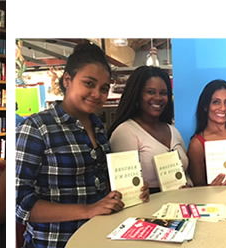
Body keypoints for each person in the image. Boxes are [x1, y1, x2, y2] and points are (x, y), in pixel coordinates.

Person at [15, 43, 150, 248]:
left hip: (99, 238)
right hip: (55, 242)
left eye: (104, 88)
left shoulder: (98, 129)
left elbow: (100, 187)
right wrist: (87, 209)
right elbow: (20, 202)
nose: (97, 94)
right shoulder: (37, 128)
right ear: (68, 80)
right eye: (89, 83)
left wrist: (130, 191)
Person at [108, 66, 192, 194]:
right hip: (148, 210)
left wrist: (189, 187)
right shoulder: (125, 132)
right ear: (137, 95)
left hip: (179, 207)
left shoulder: (173, 131)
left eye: (163, 93)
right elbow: (126, 192)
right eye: (151, 92)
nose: (158, 98)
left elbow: (185, 175)